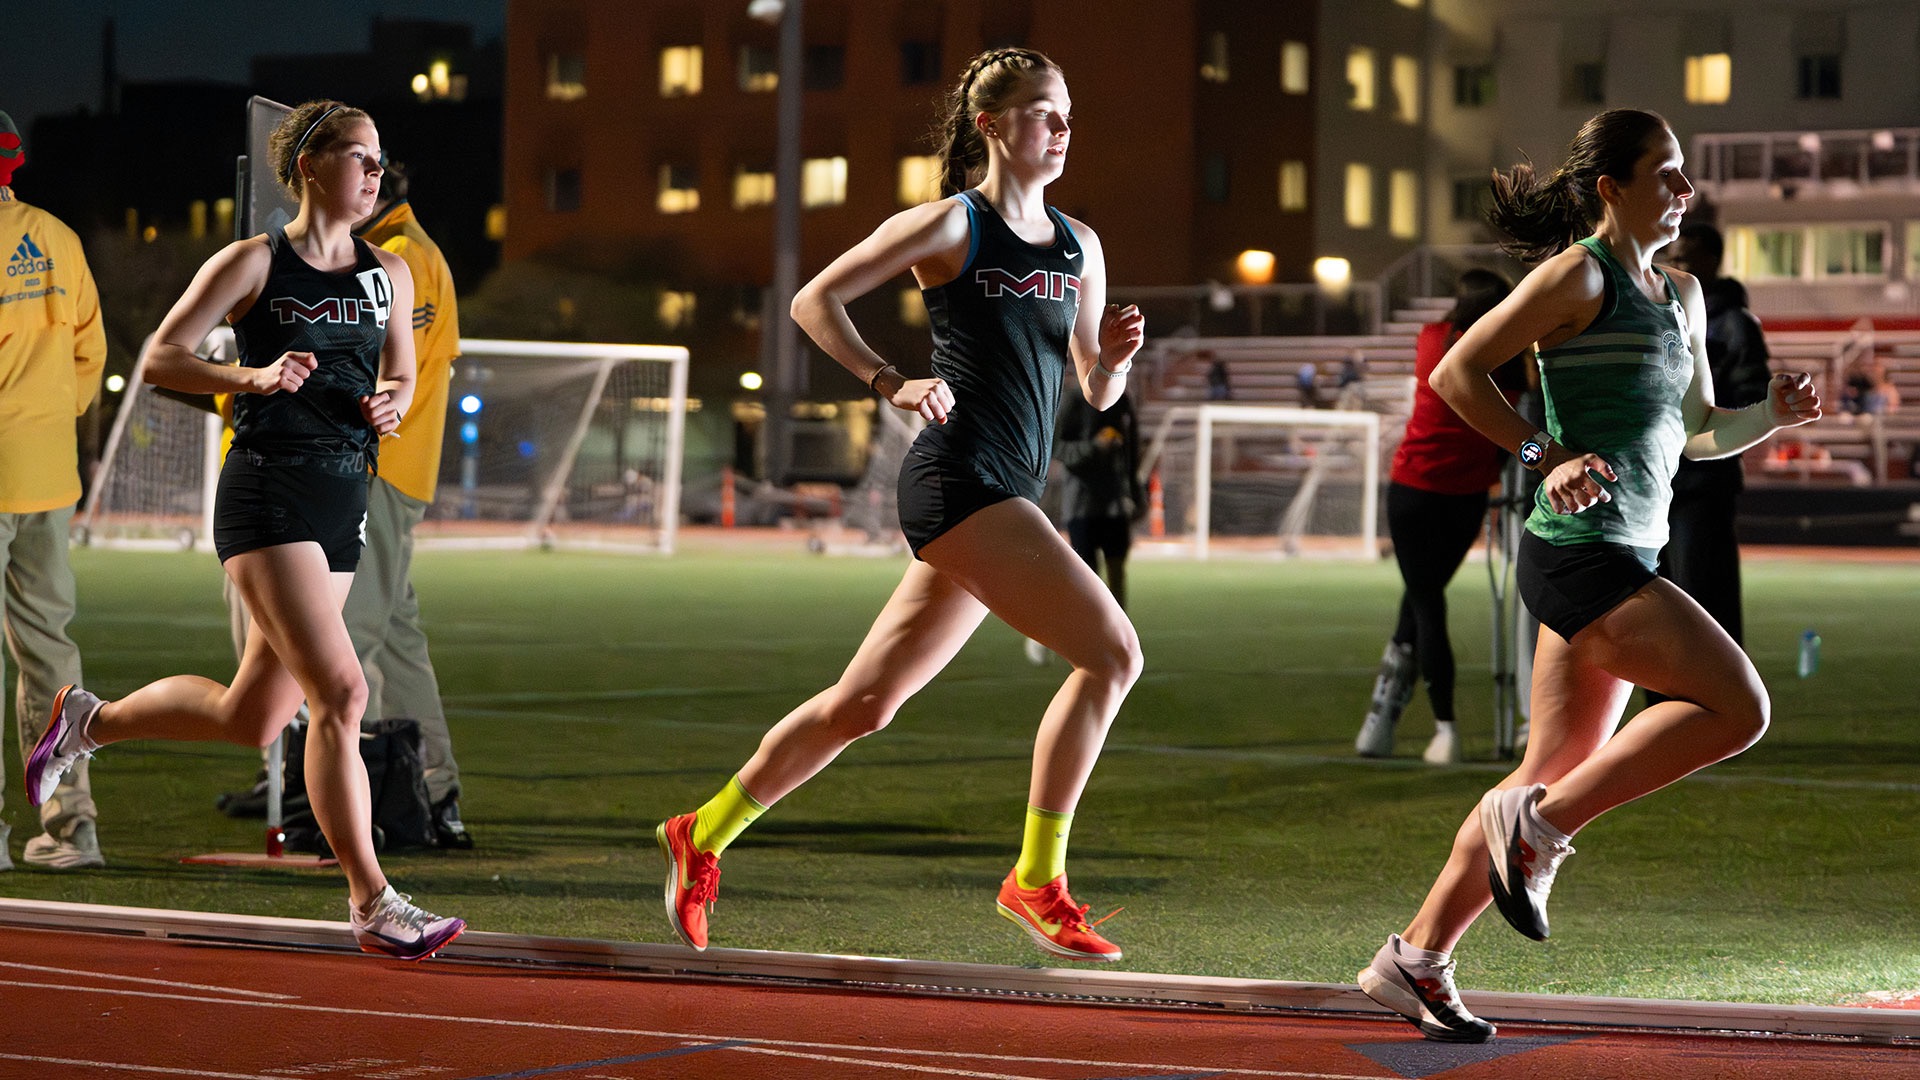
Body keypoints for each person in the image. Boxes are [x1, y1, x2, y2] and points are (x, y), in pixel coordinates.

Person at [654, 48, 1145, 963]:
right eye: (1044, 112)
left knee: (865, 705)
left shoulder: (1082, 245)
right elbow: (814, 300)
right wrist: (889, 380)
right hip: (960, 480)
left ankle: (702, 832)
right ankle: (1037, 879)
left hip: (1008, 490)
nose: (1063, 127)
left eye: (1069, 111)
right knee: (1115, 654)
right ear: (993, 125)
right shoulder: (952, 225)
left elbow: (1096, 390)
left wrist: (1113, 358)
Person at [1356, 109, 1820, 1042]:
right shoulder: (1575, 276)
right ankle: (1541, 832)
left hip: (1630, 548)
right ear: (1611, 188)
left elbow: (1695, 434)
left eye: (1686, 174)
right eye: (1668, 173)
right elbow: (1456, 373)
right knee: (1741, 707)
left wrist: (1767, 413)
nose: (1686, 190)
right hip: (1578, 552)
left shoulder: (1682, 295)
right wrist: (1543, 450)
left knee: (1539, 771)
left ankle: (1416, 957)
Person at [26, 100, 465, 960]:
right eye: (358, 157)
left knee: (255, 716)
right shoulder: (254, 262)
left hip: (346, 499)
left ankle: (89, 720)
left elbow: (405, 374)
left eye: (381, 159)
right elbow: (158, 358)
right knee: (344, 694)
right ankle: (373, 900)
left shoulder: (391, 272)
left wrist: (393, 402)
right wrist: (253, 375)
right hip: (267, 494)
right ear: (309, 165)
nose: (376, 173)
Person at [343, 161, 470, 846]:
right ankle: (430, 791)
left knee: (352, 643)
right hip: (390, 467)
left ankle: (352, 799)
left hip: (380, 468)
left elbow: (398, 376)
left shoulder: (400, 258)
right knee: (394, 641)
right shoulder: (403, 252)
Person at [1356, 270, 1527, 765]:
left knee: (1423, 604)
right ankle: (1389, 722)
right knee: (1422, 602)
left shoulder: (1432, 339)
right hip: (1466, 495)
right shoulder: (1509, 364)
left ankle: (1433, 726)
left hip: (1413, 490)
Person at [0, 108, 108, 870]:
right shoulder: (59, 239)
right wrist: (44, 418)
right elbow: (90, 354)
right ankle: (75, 827)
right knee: (49, 652)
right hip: (47, 473)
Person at [1653, 223, 1773, 667]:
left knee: (1703, 602)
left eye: (1686, 257)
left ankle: (1718, 711)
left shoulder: (1734, 324)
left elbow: (1753, 402)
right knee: (1654, 609)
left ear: (1711, 261)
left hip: (1703, 485)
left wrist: (1702, 421)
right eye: (1674, 256)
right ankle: (1665, 711)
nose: (1676, 265)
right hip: (1657, 484)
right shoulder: (1663, 310)